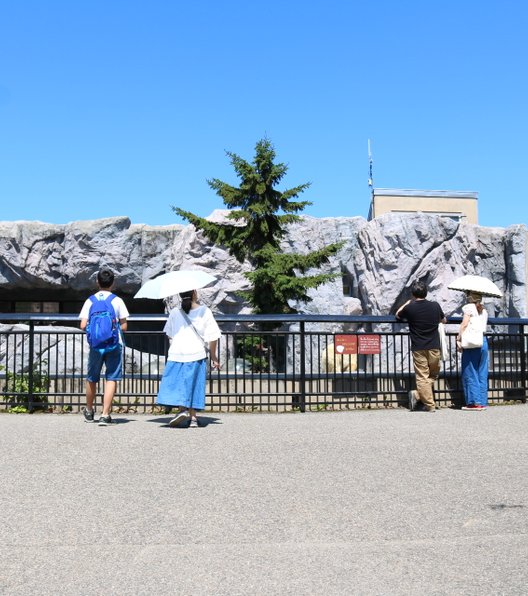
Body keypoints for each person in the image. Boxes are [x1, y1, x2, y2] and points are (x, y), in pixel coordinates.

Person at [156, 289, 221, 428]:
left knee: (179, 383)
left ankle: (182, 410)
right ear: (194, 294)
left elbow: (170, 334)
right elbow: (213, 336)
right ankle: (193, 418)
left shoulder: (174, 312)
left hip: (177, 353)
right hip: (196, 353)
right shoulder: (205, 311)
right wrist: (214, 357)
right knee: (194, 385)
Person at [79, 268, 129, 426]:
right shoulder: (117, 300)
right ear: (113, 283)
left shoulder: (90, 300)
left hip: (95, 345)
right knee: (112, 377)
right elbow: (125, 326)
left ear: (97, 282)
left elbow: (82, 325)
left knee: (92, 377)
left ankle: (88, 410)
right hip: (114, 344)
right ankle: (105, 414)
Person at [396, 280, 446, 412]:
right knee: (434, 374)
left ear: (413, 294)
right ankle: (427, 401)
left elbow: (398, 314)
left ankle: (423, 399)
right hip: (434, 346)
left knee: (422, 376)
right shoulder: (435, 306)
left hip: (418, 347)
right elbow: (443, 320)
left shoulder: (410, 307)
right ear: (426, 293)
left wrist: (407, 302)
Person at [456, 291, 488, 410]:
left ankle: (474, 402)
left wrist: (459, 337)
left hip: (472, 343)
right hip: (483, 341)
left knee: (470, 370)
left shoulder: (469, 307)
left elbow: (464, 324)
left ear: (470, 298)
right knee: (482, 371)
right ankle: (482, 401)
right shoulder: (484, 311)